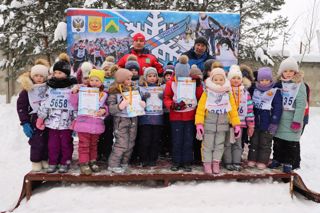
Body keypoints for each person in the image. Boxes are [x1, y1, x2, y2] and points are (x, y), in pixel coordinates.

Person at [36, 53, 77, 173]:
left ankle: (65, 162)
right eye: (55, 72)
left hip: (66, 122)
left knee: (66, 143)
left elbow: (75, 105)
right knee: (52, 144)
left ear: (66, 73)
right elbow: (45, 103)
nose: (57, 75)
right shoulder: (51, 87)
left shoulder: (71, 87)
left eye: (60, 72)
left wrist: (75, 119)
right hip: (52, 122)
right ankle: (53, 162)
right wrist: (41, 117)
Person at [195, 68, 240, 174]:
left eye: (221, 79)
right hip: (209, 125)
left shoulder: (228, 93)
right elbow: (201, 109)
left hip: (222, 125)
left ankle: (216, 163)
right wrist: (199, 124)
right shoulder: (207, 92)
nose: (219, 81)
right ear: (212, 80)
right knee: (207, 145)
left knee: (219, 146)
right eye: (216, 79)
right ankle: (207, 164)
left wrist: (236, 124)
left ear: (224, 80)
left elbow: (233, 110)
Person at [163, 55, 203, 172]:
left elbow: (199, 96)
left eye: (184, 74)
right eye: (180, 74)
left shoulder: (192, 81)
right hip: (176, 116)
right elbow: (167, 97)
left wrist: (199, 85)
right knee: (177, 139)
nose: (182, 77)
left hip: (190, 115)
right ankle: (176, 161)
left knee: (188, 140)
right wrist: (172, 105)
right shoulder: (171, 83)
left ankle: (186, 162)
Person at [270, 57, 307, 173]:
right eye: (285, 71)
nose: (288, 73)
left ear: (295, 72)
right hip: (280, 119)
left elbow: (301, 104)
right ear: (282, 72)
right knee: (278, 141)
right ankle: (277, 159)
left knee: (290, 143)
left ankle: (288, 163)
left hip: (292, 119)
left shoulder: (300, 85)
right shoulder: (279, 84)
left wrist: (297, 121)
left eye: (291, 71)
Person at [107, 68, 146, 173]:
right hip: (121, 121)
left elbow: (139, 102)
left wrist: (142, 105)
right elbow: (111, 109)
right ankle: (113, 164)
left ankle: (124, 162)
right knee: (121, 143)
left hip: (133, 119)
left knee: (130, 143)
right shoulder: (114, 92)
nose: (130, 81)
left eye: (130, 79)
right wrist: (120, 106)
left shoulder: (134, 90)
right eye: (128, 79)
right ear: (121, 80)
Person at [70, 69, 108, 175]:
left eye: (97, 80)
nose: (94, 83)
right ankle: (84, 163)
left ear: (101, 82)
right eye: (92, 80)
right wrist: (74, 92)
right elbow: (74, 104)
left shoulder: (103, 94)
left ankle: (92, 161)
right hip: (83, 123)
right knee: (83, 145)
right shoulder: (83, 91)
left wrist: (104, 110)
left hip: (96, 125)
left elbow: (105, 106)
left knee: (93, 144)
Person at [16, 59, 50, 172]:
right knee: (37, 142)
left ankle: (45, 159)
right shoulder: (27, 90)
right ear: (32, 76)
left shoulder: (49, 87)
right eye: (36, 76)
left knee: (47, 140)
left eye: (41, 76)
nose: (39, 78)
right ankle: (36, 161)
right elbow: (21, 107)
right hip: (33, 119)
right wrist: (25, 122)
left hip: (48, 118)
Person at [248, 67, 282, 170]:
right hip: (255, 122)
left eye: (267, 80)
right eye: (262, 80)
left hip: (268, 123)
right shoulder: (254, 90)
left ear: (270, 80)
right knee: (253, 142)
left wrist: (274, 123)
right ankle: (252, 159)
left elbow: (277, 108)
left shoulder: (275, 92)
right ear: (258, 80)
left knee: (265, 143)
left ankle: (262, 161)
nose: (264, 82)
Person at [223, 65, 255, 171]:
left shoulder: (246, 93)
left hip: (240, 123)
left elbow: (249, 110)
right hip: (227, 123)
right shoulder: (225, 91)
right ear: (229, 79)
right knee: (227, 143)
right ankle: (227, 162)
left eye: (238, 78)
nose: (236, 80)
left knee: (237, 143)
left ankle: (236, 162)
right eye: (233, 78)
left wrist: (250, 124)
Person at [138, 67, 164, 167]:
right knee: (145, 139)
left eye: (154, 76)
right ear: (145, 77)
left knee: (155, 139)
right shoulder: (141, 88)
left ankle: (153, 159)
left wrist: (162, 98)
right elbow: (137, 102)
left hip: (157, 118)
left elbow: (165, 104)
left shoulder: (161, 87)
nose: (152, 78)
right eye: (149, 76)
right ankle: (144, 158)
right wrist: (143, 98)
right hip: (145, 118)